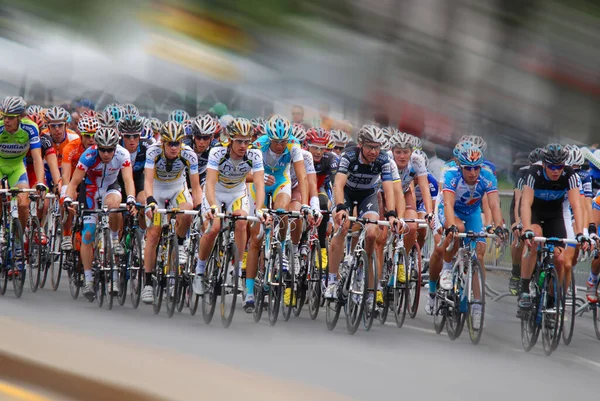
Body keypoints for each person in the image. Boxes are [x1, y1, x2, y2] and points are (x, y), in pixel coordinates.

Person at [326, 125, 399, 307]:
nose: (374, 151)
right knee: (341, 228)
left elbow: (388, 188)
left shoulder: (383, 160)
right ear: (360, 145)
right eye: (369, 147)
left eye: (377, 147)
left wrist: (391, 214)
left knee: (373, 232)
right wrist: (341, 208)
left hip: (368, 195)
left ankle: (362, 269)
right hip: (347, 194)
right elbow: (338, 185)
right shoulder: (348, 156)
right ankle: (333, 281)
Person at [192, 118, 266, 296]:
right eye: (239, 141)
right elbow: (209, 183)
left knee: (241, 222)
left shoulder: (255, 154)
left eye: (247, 141)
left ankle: (237, 270)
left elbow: (259, 184)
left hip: (237, 192)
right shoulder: (218, 152)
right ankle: (200, 272)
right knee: (213, 228)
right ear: (231, 140)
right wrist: (212, 206)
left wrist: (260, 208)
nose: (243, 145)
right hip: (215, 192)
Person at [434, 143, 505, 326]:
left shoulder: (487, 177)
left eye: (476, 168)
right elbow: (448, 205)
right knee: (458, 232)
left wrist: (498, 227)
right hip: (452, 210)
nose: (473, 172)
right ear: (461, 167)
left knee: (479, 252)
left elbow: (495, 205)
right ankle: (448, 268)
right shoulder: (452, 176)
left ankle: (477, 304)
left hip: (472, 212)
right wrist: (450, 226)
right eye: (468, 168)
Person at [63, 127, 137, 300]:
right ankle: (88, 278)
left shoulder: (122, 154)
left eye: (109, 149)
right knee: (88, 234)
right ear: (97, 147)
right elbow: (74, 182)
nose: (106, 153)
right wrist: (67, 198)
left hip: (111, 187)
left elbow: (128, 180)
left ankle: (113, 239)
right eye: (102, 149)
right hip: (90, 190)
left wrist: (132, 197)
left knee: (114, 205)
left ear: (115, 147)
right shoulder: (88, 155)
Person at [245, 116, 309, 313]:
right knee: (256, 237)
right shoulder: (258, 146)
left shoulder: (293, 146)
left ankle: (280, 251)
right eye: (276, 142)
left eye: (283, 141)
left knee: (282, 213)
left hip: (281, 181)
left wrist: (306, 204)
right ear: (269, 138)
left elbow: (301, 176)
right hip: (259, 184)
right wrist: (259, 177)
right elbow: (242, 173)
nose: (280, 146)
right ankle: (248, 293)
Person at [518, 144, 589, 313]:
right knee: (535, 238)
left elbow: (576, 205)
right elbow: (526, 203)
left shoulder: (569, 175)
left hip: (554, 215)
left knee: (559, 259)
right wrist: (526, 228)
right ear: (544, 165)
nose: (556, 171)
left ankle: (551, 298)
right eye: (552, 167)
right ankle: (525, 289)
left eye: (559, 167)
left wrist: (580, 232)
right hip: (535, 212)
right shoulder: (533, 173)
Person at [142, 121, 202, 304]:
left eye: (178, 143)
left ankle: (181, 243)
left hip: (177, 187)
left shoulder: (189, 155)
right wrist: (150, 200)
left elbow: (196, 186)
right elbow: (148, 182)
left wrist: (199, 207)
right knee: (153, 234)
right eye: (171, 143)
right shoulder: (153, 152)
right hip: (157, 189)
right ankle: (148, 285)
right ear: (163, 143)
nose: (175, 147)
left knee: (188, 210)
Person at [0, 96, 47, 231]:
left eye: (11, 117)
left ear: (20, 117)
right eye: (5, 116)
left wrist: (40, 182)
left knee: (23, 205)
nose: (6, 121)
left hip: (17, 166)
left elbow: (37, 157)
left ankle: (17, 238)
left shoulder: (30, 128)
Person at [60, 116, 98, 250]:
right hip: (72, 179)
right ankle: (65, 235)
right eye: (87, 136)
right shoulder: (71, 148)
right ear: (81, 135)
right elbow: (65, 176)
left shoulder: (100, 149)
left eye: (94, 135)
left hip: (89, 182)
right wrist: (66, 195)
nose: (91, 139)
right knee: (65, 199)